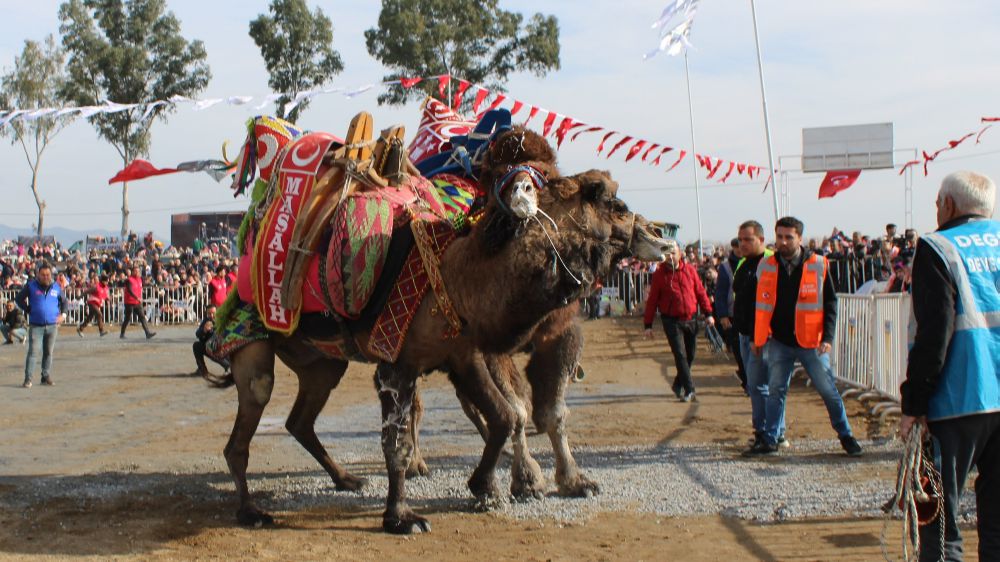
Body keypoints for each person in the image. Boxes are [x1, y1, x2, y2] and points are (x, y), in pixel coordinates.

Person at [899, 171, 999, 562]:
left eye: (938, 200)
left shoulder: (938, 247)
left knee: (940, 523)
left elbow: (934, 332)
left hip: (959, 398)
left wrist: (914, 403)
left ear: (949, 205)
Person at [747, 216, 862, 457]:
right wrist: (758, 340)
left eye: (789, 237)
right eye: (779, 236)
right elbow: (760, 305)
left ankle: (846, 435)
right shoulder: (767, 265)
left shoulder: (818, 264)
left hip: (812, 342)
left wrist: (828, 337)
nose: (783, 241)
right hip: (779, 341)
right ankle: (770, 438)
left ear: (799, 238)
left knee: (827, 390)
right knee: (776, 390)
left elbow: (831, 303)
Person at [731, 220, 787, 452]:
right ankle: (765, 431)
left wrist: (759, 335)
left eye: (748, 240)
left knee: (763, 385)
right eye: (741, 239)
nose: (742, 244)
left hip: (763, 337)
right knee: (755, 386)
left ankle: (770, 432)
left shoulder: (771, 264)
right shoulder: (743, 264)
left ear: (761, 240)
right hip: (745, 334)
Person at [643, 245, 715, 402]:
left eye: (673, 253)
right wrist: (648, 325)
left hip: (691, 318)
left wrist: (708, 313)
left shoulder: (690, 270)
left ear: (680, 254)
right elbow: (652, 300)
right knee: (680, 355)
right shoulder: (659, 275)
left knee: (690, 355)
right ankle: (690, 389)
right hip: (671, 320)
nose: (670, 256)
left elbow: (700, 292)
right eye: (667, 254)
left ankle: (677, 384)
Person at [15, 262, 67, 387]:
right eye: (43, 275)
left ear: (51, 274)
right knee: (33, 352)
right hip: (36, 326)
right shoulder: (31, 286)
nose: (45, 277)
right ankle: (28, 379)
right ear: (38, 274)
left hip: (52, 325)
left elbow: (64, 303)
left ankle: (45, 376)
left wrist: (63, 315)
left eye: (47, 275)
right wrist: (27, 308)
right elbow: (18, 298)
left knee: (48, 352)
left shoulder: (56, 287)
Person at [714, 238, 746, 390]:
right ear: (733, 248)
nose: (741, 249)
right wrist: (722, 315)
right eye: (738, 247)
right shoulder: (726, 267)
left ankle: (748, 380)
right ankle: (746, 380)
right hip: (732, 313)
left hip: (749, 313)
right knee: (738, 349)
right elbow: (720, 293)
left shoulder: (753, 262)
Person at [192, 305, 230, 377]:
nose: (211, 316)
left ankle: (228, 367)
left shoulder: (223, 320)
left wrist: (214, 330)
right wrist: (204, 330)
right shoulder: (206, 320)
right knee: (197, 345)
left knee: (214, 346)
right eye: (209, 314)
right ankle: (202, 370)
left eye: (213, 313)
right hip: (209, 346)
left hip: (223, 348)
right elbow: (197, 334)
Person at [120, 265, 156, 339]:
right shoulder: (129, 280)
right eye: (136, 271)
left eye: (138, 271)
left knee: (142, 317)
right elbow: (130, 290)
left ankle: (147, 333)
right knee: (127, 318)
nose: (137, 272)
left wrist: (152, 285)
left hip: (137, 303)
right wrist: (136, 297)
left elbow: (144, 284)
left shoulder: (140, 279)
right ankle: (122, 333)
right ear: (132, 272)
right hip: (129, 302)